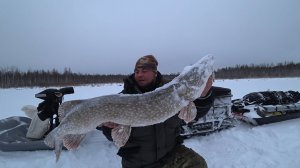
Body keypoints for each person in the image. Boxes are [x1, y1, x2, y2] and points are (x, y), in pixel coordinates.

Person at [100, 55, 213, 168]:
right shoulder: (120, 100)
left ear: (154, 73)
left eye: (144, 71)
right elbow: (114, 137)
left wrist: (204, 95)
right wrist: (108, 127)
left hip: (170, 154)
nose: (139, 74)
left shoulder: (174, 93)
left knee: (198, 164)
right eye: (137, 71)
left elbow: (195, 115)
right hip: (139, 162)